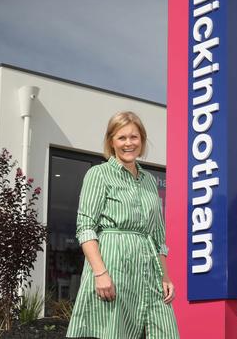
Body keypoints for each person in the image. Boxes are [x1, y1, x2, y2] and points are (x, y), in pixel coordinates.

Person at [67, 111, 179, 339]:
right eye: (122, 138)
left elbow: (157, 234)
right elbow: (85, 227)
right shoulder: (98, 174)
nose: (129, 143)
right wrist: (100, 273)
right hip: (113, 266)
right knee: (114, 333)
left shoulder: (148, 180)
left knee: (166, 331)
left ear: (142, 140)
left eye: (134, 137)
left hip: (149, 271)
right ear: (111, 141)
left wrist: (165, 277)